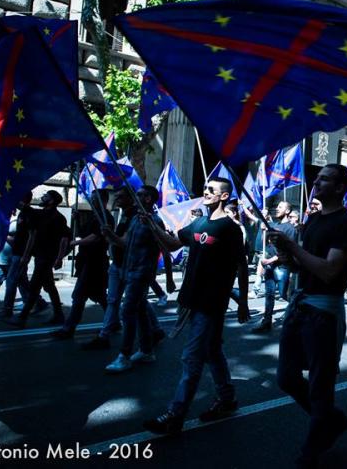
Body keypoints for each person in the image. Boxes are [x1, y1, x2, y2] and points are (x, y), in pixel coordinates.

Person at [268, 165, 347, 469]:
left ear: (340, 187)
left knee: (320, 387)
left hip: (323, 313)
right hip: (300, 307)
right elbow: (301, 267)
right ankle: (331, 421)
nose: (316, 182)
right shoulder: (313, 220)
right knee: (285, 377)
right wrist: (285, 254)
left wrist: (292, 246)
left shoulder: (346, 223)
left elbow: (330, 270)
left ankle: (312, 450)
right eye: (317, 178)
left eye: (324, 179)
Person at [143, 177, 250, 434]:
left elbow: (241, 266)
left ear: (224, 196)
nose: (206, 191)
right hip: (191, 300)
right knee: (212, 351)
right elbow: (171, 244)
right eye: (205, 188)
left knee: (192, 358)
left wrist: (243, 302)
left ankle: (175, 415)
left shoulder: (230, 229)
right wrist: (152, 227)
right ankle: (227, 399)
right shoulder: (198, 223)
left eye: (212, 189)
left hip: (210, 303)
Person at [103, 185, 166, 372]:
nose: (135, 197)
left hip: (141, 273)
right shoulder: (134, 221)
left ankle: (124, 356)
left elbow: (164, 246)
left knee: (127, 311)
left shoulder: (154, 221)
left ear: (148, 199)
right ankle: (146, 351)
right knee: (139, 311)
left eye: (139, 195)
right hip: (128, 271)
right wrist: (111, 236)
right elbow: (125, 243)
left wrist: (168, 279)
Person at [51, 190, 114, 339]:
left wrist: (75, 242)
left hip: (95, 262)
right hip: (85, 260)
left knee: (79, 295)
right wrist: (77, 220)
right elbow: (84, 233)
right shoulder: (93, 216)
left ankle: (68, 328)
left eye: (95, 199)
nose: (92, 201)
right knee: (99, 296)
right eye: (91, 199)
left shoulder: (105, 218)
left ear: (103, 200)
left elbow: (96, 238)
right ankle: (114, 322)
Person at [6, 190, 71, 328]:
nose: (42, 197)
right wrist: (11, 193)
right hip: (40, 256)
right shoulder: (40, 214)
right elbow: (24, 207)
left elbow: (64, 240)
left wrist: (59, 259)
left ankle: (22, 317)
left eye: (46, 196)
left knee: (34, 286)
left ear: (52, 201)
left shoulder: (58, 218)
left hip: (47, 258)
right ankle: (59, 315)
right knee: (49, 286)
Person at [0, 192, 44, 319]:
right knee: (21, 281)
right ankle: (39, 303)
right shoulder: (23, 212)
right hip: (17, 252)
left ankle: (7, 310)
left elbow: (32, 235)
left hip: (20, 254)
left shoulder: (29, 213)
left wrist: (26, 255)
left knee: (11, 281)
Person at [253, 200, 299, 333]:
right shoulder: (272, 225)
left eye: (280, 207)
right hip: (270, 267)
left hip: (282, 267)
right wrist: (263, 231)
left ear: (288, 211)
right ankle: (267, 321)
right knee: (269, 294)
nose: (277, 209)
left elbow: (287, 250)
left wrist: (269, 261)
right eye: (277, 207)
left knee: (284, 294)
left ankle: (298, 312)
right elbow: (265, 243)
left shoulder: (290, 229)